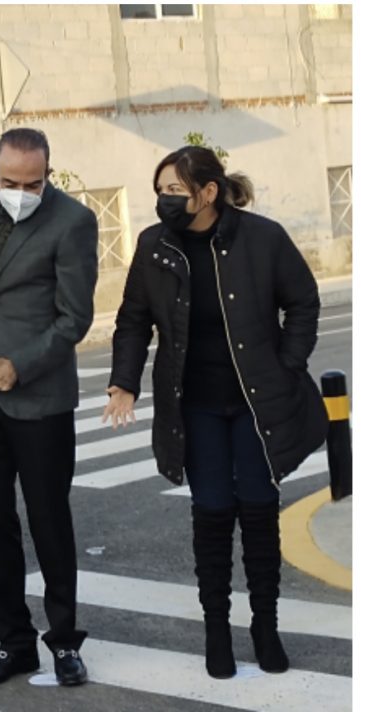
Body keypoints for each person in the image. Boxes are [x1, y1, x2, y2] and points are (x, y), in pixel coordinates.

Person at [102, 145, 328, 678]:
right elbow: (134, 319)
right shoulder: (154, 246)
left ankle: (265, 627)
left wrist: (288, 366)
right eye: (159, 191)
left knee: (257, 508)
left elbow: (303, 302)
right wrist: (123, 383)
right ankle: (216, 630)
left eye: (174, 191)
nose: (164, 201)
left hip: (255, 402)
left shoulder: (262, 238)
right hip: (194, 403)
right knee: (211, 513)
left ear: (207, 193)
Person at [0, 127, 99, 687]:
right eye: (10, 181)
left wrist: (20, 364)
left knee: (49, 520)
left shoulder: (73, 222)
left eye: (32, 183)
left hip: (39, 398)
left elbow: (73, 318)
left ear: (48, 177)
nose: (19, 191)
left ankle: (63, 642)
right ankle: (14, 641)